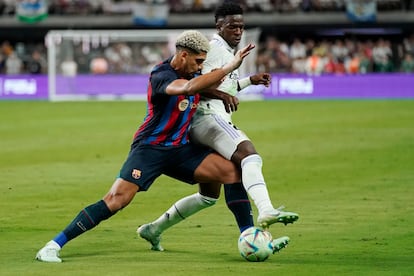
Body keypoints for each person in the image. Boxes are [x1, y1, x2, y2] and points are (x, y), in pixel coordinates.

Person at [35, 30, 275, 263]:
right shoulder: (161, 75)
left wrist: (228, 91)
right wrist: (231, 66)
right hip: (150, 149)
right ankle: (53, 245)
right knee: (116, 199)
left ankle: (248, 236)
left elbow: (202, 88)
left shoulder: (192, 72)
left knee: (231, 172)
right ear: (183, 55)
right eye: (198, 61)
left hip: (181, 149)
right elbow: (189, 88)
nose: (201, 66)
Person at [138, 2, 298, 253]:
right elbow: (192, 83)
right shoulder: (213, 49)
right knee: (249, 155)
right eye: (232, 26)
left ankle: (154, 229)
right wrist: (221, 95)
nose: (238, 30)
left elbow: (224, 87)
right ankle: (265, 212)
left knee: (211, 193)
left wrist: (248, 81)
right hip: (206, 118)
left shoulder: (225, 50)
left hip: (210, 119)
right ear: (218, 26)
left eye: (241, 26)